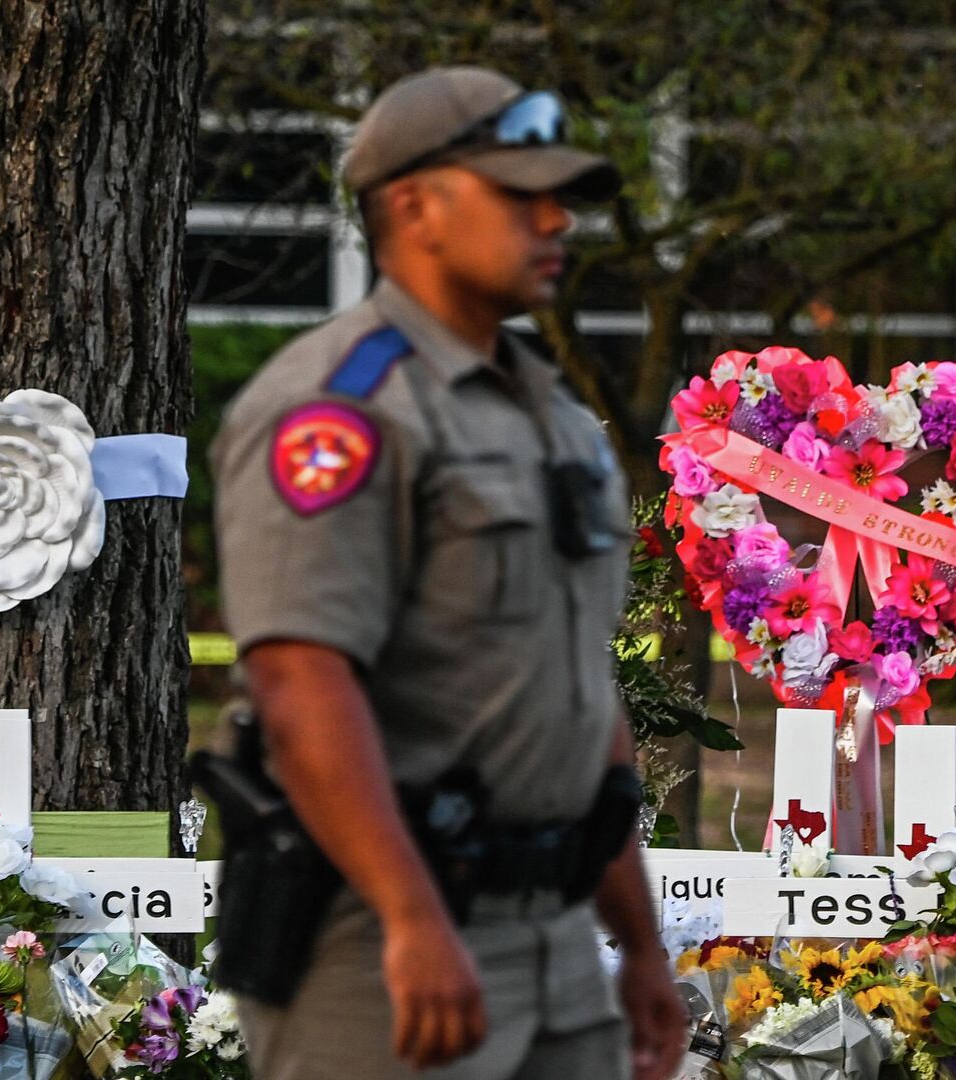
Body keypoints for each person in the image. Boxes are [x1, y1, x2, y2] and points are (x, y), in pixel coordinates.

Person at [210, 66, 686, 1080]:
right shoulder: (338, 410)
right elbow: (301, 685)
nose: (557, 218)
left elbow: (578, 687)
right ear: (414, 205)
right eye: (521, 193)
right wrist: (411, 919)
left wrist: (639, 943)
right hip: (380, 935)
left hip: (556, 935)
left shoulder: (549, 414)